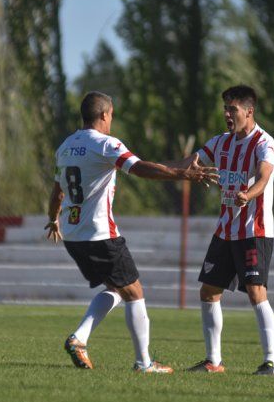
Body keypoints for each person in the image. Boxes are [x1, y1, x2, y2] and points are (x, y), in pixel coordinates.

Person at [44, 91, 219, 373]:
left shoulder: (65, 146)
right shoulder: (105, 144)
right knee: (134, 292)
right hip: (100, 234)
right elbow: (138, 168)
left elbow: (57, 191)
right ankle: (144, 363)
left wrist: (53, 220)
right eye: (111, 114)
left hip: (74, 235)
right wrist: (181, 175)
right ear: (104, 115)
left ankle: (80, 338)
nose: (111, 119)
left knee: (117, 288)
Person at [177, 85, 274, 376]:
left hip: (254, 230)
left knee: (256, 291)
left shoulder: (265, 142)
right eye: (225, 108)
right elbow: (191, 163)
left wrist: (248, 194)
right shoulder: (220, 142)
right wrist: (160, 170)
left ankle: (271, 362)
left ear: (249, 111)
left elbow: (263, 176)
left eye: (232, 109)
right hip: (225, 230)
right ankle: (213, 361)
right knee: (209, 291)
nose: (226, 114)